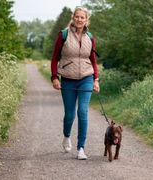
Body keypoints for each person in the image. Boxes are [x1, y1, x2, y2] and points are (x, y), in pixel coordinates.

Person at [50, 6, 100, 160]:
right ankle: (66, 136)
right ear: (73, 18)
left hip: (86, 77)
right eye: (77, 17)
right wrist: (54, 77)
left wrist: (96, 79)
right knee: (70, 114)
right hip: (68, 79)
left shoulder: (90, 37)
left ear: (86, 20)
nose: (79, 19)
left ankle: (81, 148)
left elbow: (92, 60)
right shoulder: (63, 35)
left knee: (83, 112)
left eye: (82, 17)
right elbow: (54, 58)